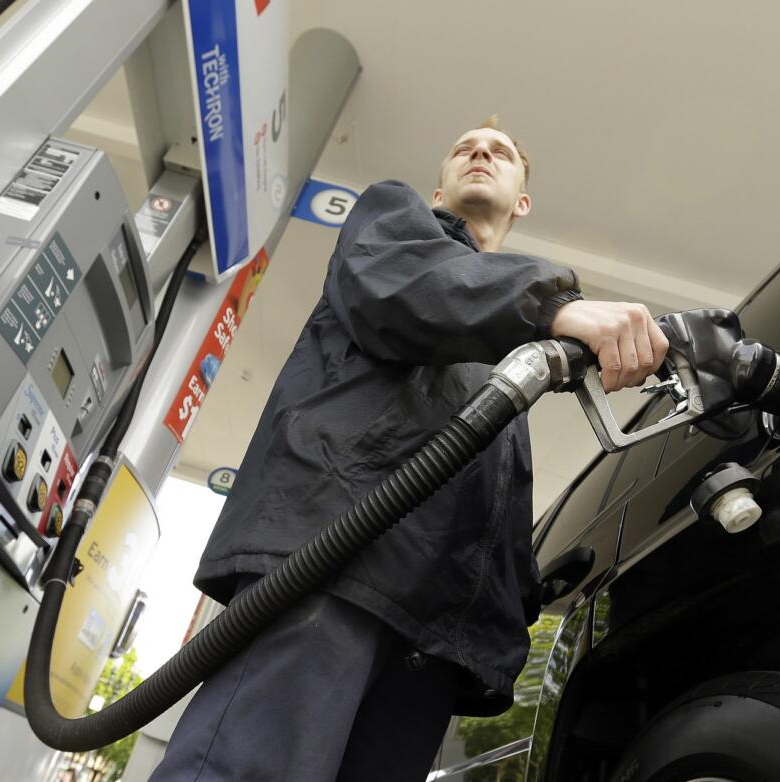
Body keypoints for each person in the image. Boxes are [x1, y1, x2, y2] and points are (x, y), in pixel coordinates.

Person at [151, 117, 668, 781]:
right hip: (335, 570)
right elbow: (410, 291)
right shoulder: (394, 225)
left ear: (523, 201)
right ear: (438, 188)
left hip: (432, 638)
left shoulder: (507, 354)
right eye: (465, 148)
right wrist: (557, 310)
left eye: (500, 152)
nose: (480, 152)